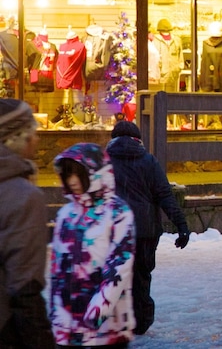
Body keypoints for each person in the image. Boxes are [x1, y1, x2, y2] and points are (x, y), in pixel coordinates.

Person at [106, 121, 190, 336]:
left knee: (115, 275)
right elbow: (165, 194)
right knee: (141, 275)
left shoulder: (104, 163)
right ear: (138, 139)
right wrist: (181, 224)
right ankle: (141, 320)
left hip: (114, 230)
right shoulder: (148, 161)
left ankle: (116, 319)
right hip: (145, 230)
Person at [50, 143, 136, 347]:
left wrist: (99, 310)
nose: (72, 181)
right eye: (68, 175)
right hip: (67, 325)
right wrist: (56, 314)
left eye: (79, 174)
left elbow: (120, 263)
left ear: (96, 173)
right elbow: (57, 269)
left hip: (106, 327)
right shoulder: (66, 214)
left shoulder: (117, 212)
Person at [0, 99, 54, 348]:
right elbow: (25, 286)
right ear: (15, 139)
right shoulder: (23, 196)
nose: (37, 139)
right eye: (32, 133)